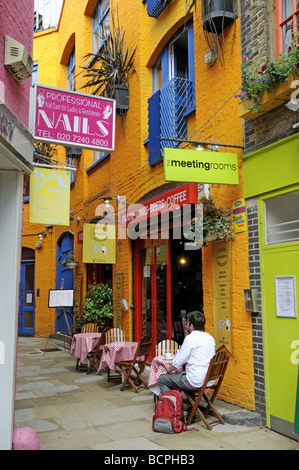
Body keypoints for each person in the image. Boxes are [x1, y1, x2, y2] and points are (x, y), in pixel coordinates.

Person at [158, 310, 215, 395]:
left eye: (187, 323)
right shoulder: (210, 338)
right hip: (209, 380)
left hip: (195, 381)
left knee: (162, 379)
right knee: (185, 374)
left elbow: (178, 362)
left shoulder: (191, 338)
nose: (186, 325)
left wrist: (167, 371)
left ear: (191, 326)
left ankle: (171, 404)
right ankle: (190, 407)